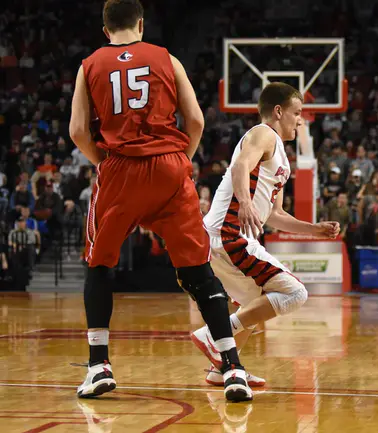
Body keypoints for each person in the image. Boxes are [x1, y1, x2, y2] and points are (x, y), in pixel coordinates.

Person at [69, 0, 251, 401]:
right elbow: (197, 121)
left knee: (99, 265)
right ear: (140, 24)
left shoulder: (88, 66)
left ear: (105, 30)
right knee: (199, 271)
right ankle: (232, 367)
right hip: (169, 166)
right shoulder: (167, 58)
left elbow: (78, 131)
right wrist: (180, 161)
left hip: (119, 169)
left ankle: (98, 365)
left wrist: (104, 161)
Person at [192, 82, 340, 387]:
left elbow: (275, 215)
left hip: (227, 237)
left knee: (258, 306)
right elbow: (240, 165)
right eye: (296, 112)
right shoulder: (263, 134)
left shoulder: (281, 156)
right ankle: (215, 334)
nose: (300, 119)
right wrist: (244, 202)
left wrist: (314, 230)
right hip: (229, 232)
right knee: (295, 293)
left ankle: (223, 367)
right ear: (278, 111)